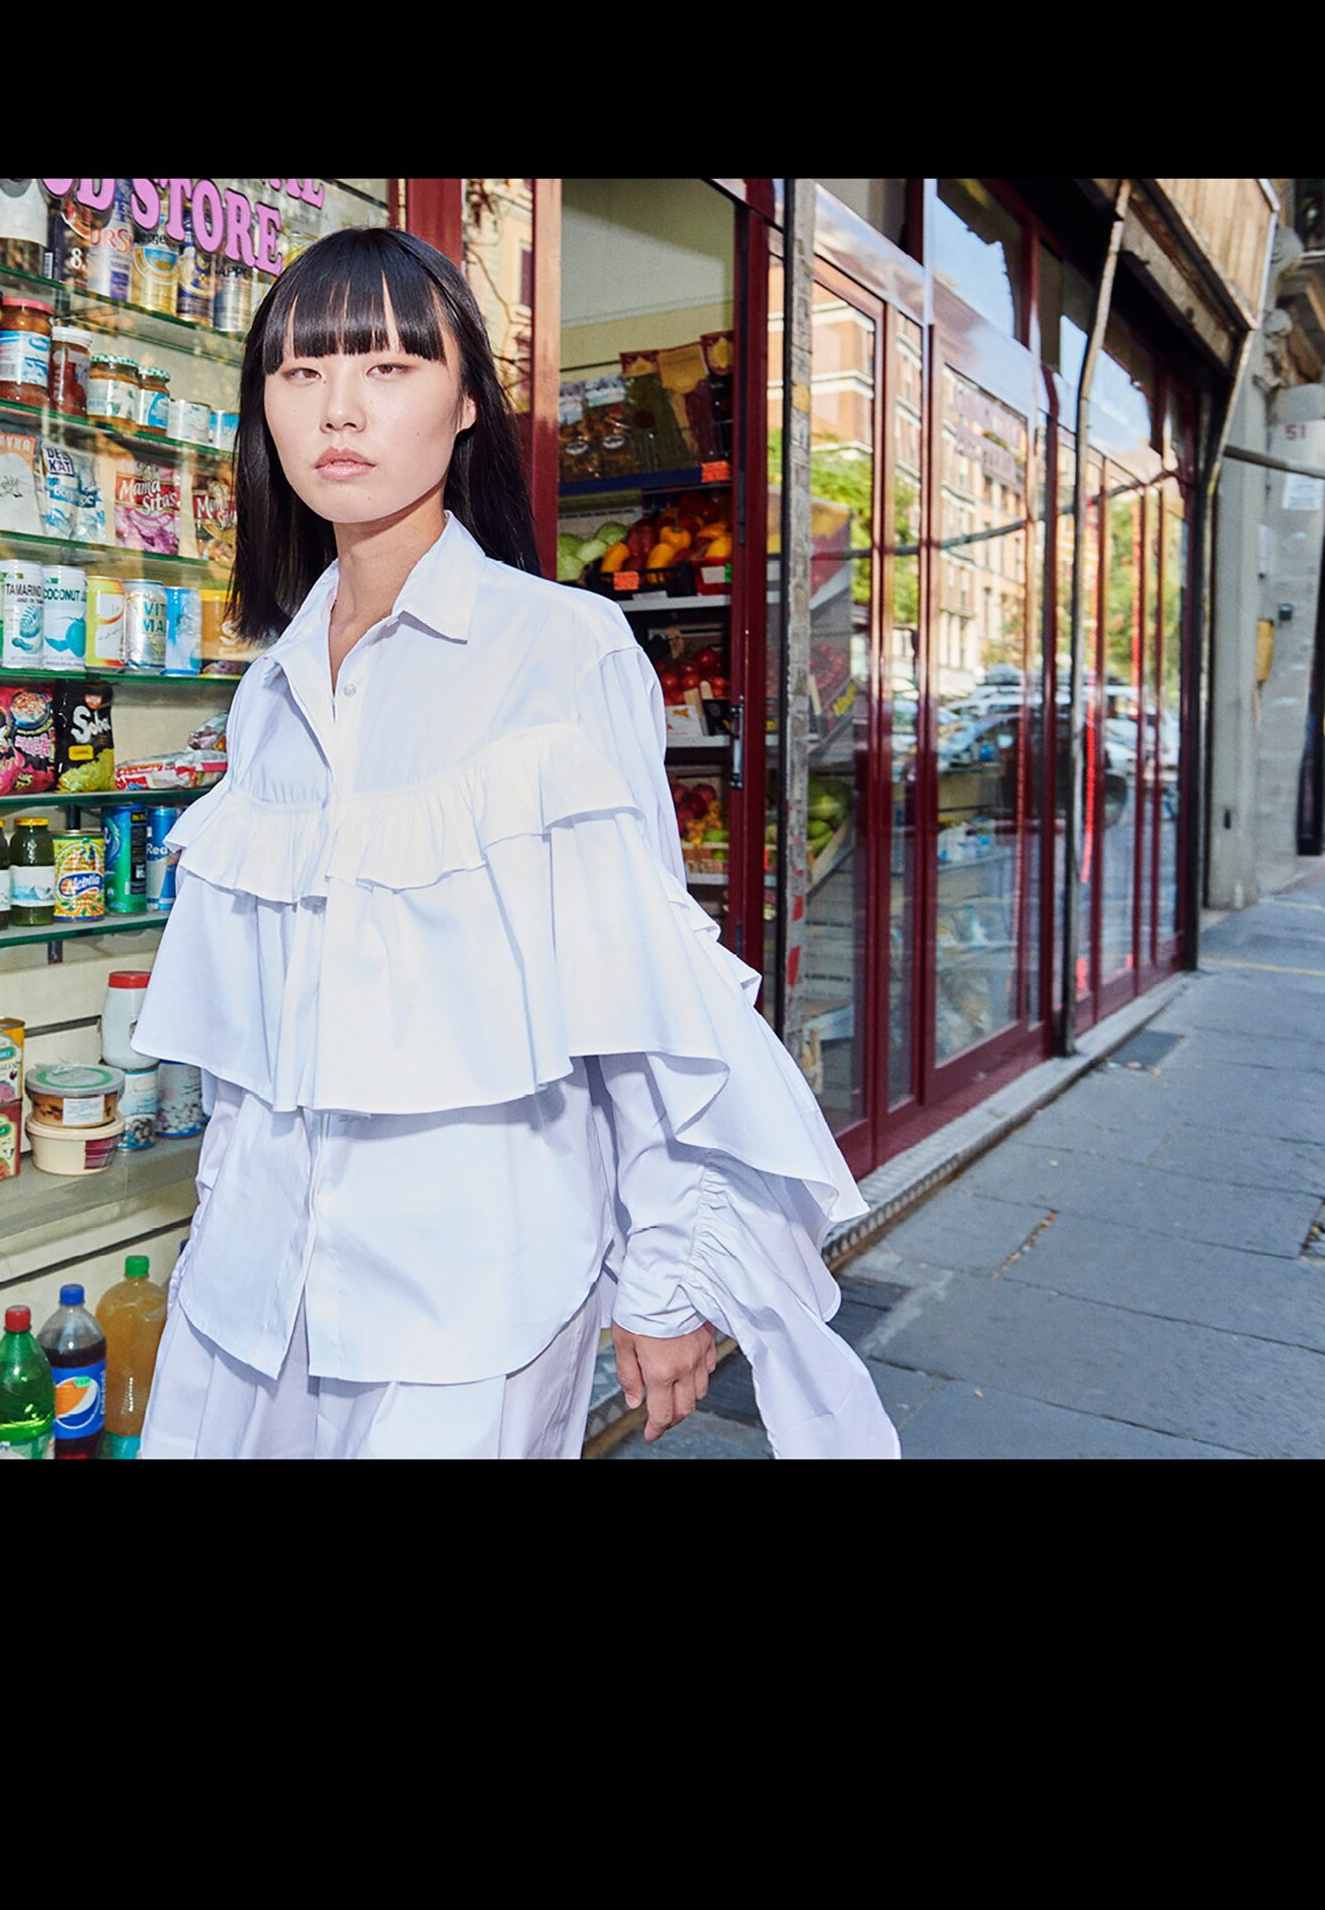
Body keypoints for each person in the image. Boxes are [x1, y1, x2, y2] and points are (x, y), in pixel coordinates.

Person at [134, 226, 899, 1461]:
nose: (339, 407)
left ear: (467, 404)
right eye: (298, 372)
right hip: (249, 1299)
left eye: (387, 368)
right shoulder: (270, 688)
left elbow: (642, 998)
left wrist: (664, 1273)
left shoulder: (561, 649)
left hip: (466, 1304)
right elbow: (252, 1045)